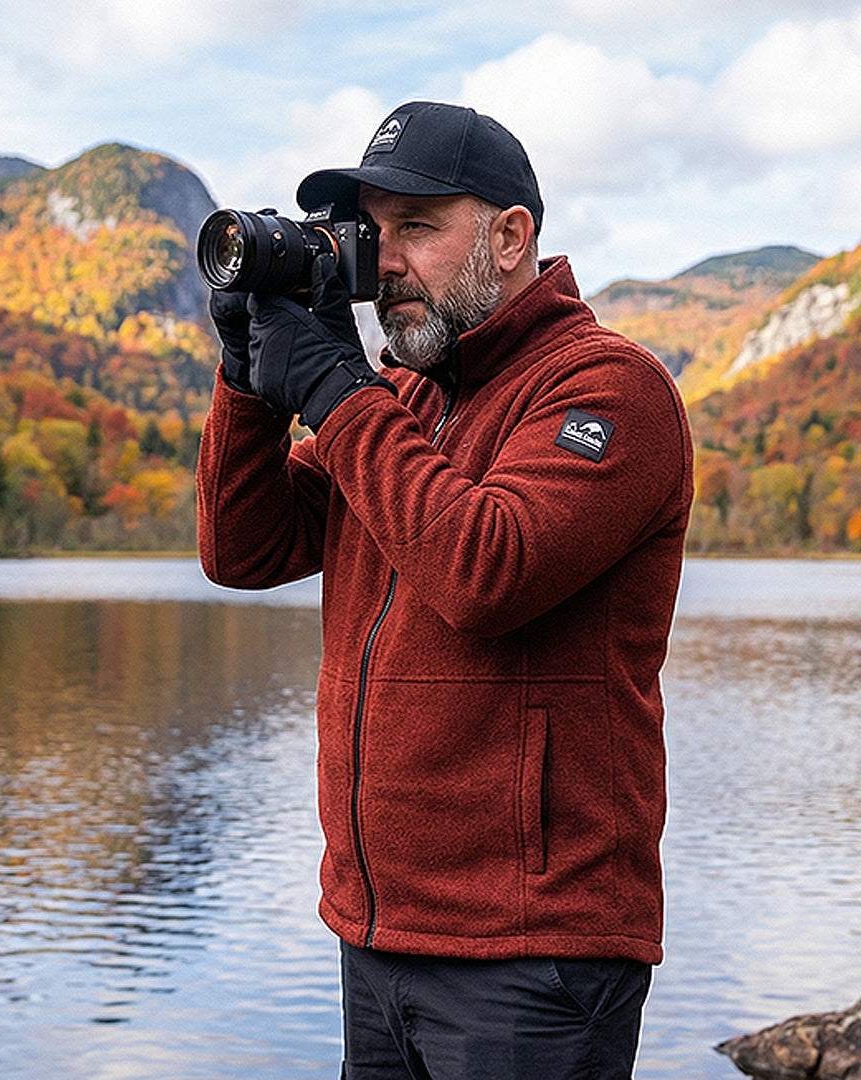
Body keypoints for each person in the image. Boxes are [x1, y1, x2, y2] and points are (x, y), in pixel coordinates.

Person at [196, 100, 693, 1079]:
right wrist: (249, 382)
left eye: (416, 228)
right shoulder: (406, 403)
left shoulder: (608, 392)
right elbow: (244, 549)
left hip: (533, 951)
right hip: (377, 934)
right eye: (370, 232)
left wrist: (338, 393)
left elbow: (484, 568)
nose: (382, 261)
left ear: (511, 237)